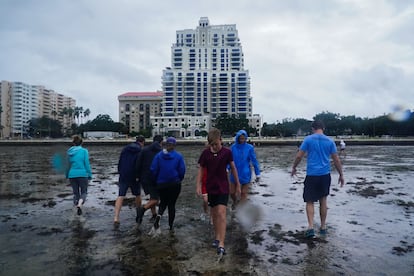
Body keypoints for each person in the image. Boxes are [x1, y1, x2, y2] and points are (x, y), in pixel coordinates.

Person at [291, 120, 345, 238]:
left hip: (312, 175)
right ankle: (323, 227)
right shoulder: (330, 141)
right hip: (325, 175)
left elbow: (299, 155)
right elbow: (336, 159)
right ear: (323, 128)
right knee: (323, 201)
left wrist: (294, 167)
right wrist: (341, 174)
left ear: (313, 128)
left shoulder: (308, 139)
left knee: (309, 201)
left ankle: (310, 227)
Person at [196, 128, 241, 256]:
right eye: (212, 145)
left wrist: (237, 184)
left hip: (223, 187)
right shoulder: (205, 154)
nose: (215, 147)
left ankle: (222, 243)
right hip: (211, 187)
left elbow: (233, 168)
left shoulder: (227, 152)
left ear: (221, 140)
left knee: (221, 213)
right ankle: (217, 237)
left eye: (217, 144)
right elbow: (201, 170)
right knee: (214, 214)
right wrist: (198, 185)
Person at [150, 137, 186, 232]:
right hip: (175, 183)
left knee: (163, 203)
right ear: (174, 145)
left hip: (161, 184)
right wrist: (179, 179)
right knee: (171, 205)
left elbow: (153, 170)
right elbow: (182, 170)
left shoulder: (158, 155)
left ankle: (158, 217)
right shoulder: (179, 156)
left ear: (165, 144)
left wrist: (156, 181)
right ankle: (171, 226)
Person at [113, 135, 145, 224]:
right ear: (142, 142)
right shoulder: (140, 150)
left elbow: (120, 161)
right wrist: (139, 176)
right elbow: (139, 164)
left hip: (123, 175)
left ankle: (116, 217)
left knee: (121, 195)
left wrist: (120, 171)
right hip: (134, 176)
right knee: (137, 195)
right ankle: (138, 214)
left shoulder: (125, 149)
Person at [135, 135, 163, 224]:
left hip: (144, 178)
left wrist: (137, 176)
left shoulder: (144, 150)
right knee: (155, 199)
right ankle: (142, 210)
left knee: (152, 196)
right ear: (161, 142)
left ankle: (154, 215)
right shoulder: (161, 152)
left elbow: (138, 164)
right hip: (156, 178)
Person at [229, 129, 261, 208]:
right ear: (238, 138)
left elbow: (254, 160)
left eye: (244, 138)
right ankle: (235, 201)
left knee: (243, 193)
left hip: (245, 173)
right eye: (241, 138)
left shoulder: (249, 148)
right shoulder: (233, 147)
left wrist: (258, 173)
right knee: (232, 192)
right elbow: (229, 159)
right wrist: (227, 168)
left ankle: (241, 210)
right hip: (234, 173)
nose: (242, 140)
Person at [66, 135, 92, 215]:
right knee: (84, 192)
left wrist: (67, 174)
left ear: (73, 143)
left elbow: (67, 165)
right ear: (82, 142)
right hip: (82, 174)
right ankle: (80, 205)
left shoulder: (69, 152)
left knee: (75, 193)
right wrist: (89, 174)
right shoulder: (84, 151)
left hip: (72, 175)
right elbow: (86, 164)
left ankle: (75, 210)